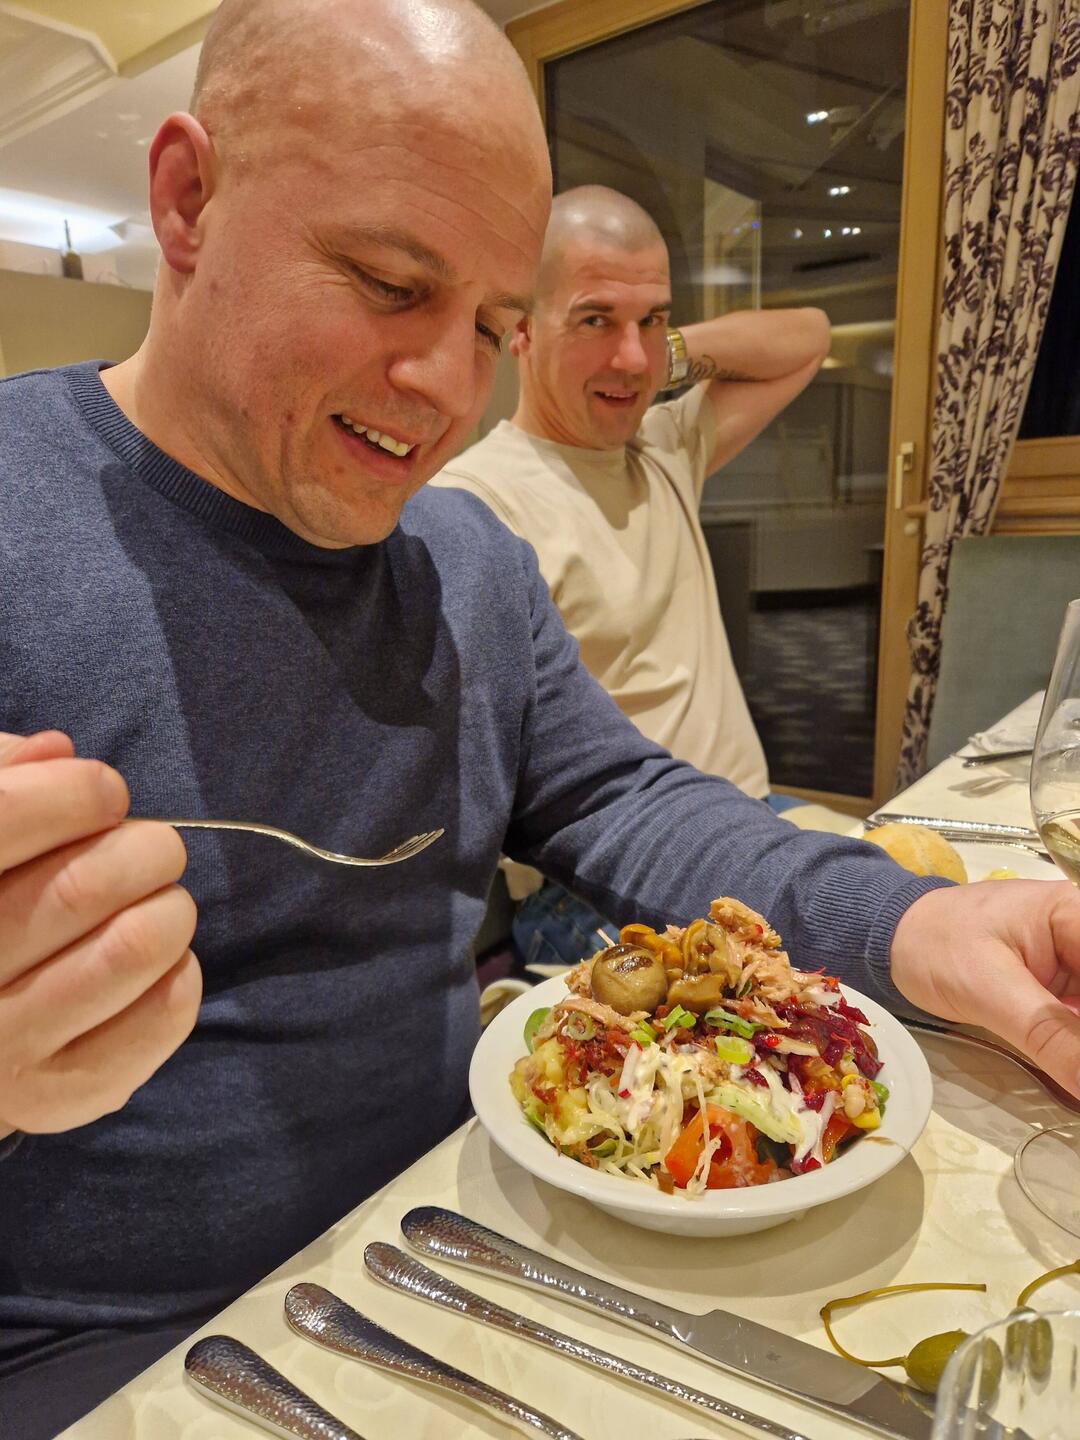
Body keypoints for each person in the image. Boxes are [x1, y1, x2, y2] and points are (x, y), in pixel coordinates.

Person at [1, 2, 1079, 1436]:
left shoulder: (470, 567)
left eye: (492, 327)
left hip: (461, 1247)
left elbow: (632, 800)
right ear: (189, 199)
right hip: (105, 1356)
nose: (450, 391)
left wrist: (921, 923)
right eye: (391, 285)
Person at [432, 186, 836, 964]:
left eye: (652, 319)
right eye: (595, 320)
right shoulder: (477, 506)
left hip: (751, 818)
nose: (630, 357)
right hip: (603, 880)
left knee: (944, 927)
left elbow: (808, 337)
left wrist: (660, 356)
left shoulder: (664, 446)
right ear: (521, 330)